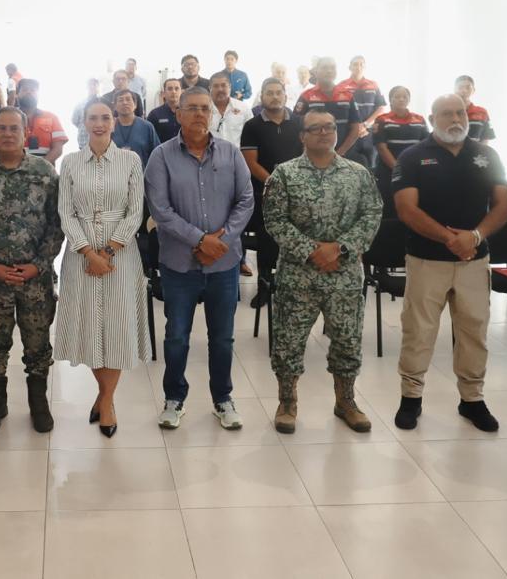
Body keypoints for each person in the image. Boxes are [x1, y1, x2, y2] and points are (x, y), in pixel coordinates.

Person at [391, 94, 507, 432]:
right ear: (432, 120)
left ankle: (472, 399)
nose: (456, 119)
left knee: (474, 331)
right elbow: (406, 209)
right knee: (419, 331)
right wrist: (451, 239)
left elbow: (503, 206)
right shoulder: (412, 156)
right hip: (426, 260)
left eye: (461, 113)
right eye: (447, 114)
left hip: (474, 260)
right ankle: (411, 398)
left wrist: (474, 237)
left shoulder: (487, 155)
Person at [263, 109, 383, 434]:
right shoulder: (284, 174)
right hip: (297, 275)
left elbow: (372, 214)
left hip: (344, 274)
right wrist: (311, 250)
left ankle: (346, 401)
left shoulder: (357, 173)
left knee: (347, 339)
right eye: (315, 128)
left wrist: (339, 248)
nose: (323, 133)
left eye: (329, 127)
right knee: (288, 342)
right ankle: (287, 402)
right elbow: (274, 220)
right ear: (302, 136)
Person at [144, 86, 255, 431]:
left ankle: (223, 398)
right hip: (179, 265)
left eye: (205, 108)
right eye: (191, 108)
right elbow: (160, 210)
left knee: (222, 337)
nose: (198, 114)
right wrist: (200, 240)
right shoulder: (161, 156)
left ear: (212, 114)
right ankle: (174, 398)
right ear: (178, 114)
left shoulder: (231, 153)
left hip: (224, 263)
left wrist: (223, 239)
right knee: (177, 336)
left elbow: (246, 200)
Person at [0, 107, 63, 433]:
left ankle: (38, 402)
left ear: (25, 132)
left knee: (38, 344)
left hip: (36, 280)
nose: (7, 133)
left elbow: (57, 225)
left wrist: (38, 265)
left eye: (13, 128)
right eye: (1, 128)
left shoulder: (44, 172)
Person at [55, 101, 149, 439]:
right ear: (84, 122)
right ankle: (105, 395)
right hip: (80, 253)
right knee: (89, 325)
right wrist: (88, 252)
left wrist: (108, 250)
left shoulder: (130, 160)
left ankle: (106, 400)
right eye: (92, 118)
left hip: (120, 254)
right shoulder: (70, 162)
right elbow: (65, 212)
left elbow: (135, 211)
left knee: (117, 326)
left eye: (105, 118)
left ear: (114, 123)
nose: (99, 123)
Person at [240, 78, 302, 308]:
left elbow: (307, 156)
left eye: (278, 92)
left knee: (296, 239)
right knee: (267, 240)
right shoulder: (252, 126)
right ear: (262, 96)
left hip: (297, 193)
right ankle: (264, 285)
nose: (275, 97)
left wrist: (293, 185)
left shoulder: (299, 123)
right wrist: (275, 183)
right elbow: (250, 162)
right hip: (264, 193)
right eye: (269, 93)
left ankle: (293, 287)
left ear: (285, 95)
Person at [371, 86, 429, 205]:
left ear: (409, 100)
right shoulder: (382, 120)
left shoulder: (419, 119)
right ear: (390, 100)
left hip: (415, 170)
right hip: (388, 172)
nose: (401, 99)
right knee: (389, 205)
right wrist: (398, 169)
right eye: (397, 97)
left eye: (405, 97)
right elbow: (381, 148)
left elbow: (426, 146)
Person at [294, 57, 361, 158]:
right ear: (316, 71)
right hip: (314, 156)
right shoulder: (306, 96)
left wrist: (340, 153)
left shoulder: (347, 95)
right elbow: (297, 127)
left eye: (332, 68)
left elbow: (355, 128)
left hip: (344, 155)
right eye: (325, 67)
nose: (329, 71)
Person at [332, 55, 388, 169]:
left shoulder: (373, 85)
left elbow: (381, 108)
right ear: (349, 67)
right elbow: (337, 110)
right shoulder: (341, 86)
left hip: (368, 133)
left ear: (365, 67)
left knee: (371, 167)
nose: (358, 67)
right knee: (348, 167)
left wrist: (365, 125)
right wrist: (356, 128)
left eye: (361, 64)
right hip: (349, 134)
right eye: (355, 64)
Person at [15, 78, 68, 163]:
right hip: (14, 169)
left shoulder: (52, 117)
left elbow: (58, 149)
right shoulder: (8, 118)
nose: (29, 92)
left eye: (33, 90)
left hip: (45, 169)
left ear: (38, 95)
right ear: (17, 94)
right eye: (25, 89)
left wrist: (41, 166)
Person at [110, 87, 160, 168]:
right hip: (114, 174)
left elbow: (157, 154)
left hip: (142, 173)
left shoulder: (147, 127)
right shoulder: (109, 127)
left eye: (128, 99)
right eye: (120, 100)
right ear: (115, 106)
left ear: (135, 105)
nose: (125, 103)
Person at [208, 71, 251, 146]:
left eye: (223, 85)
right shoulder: (203, 109)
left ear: (230, 87)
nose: (220, 89)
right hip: (210, 153)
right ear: (209, 88)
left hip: (237, 152)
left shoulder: (243, 108)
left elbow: (251, 134)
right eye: (216, 86)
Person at [454, 75, 496, 144]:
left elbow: (485, 138)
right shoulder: (446, 111)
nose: (464, 90)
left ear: (473, 90)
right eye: (460, 87)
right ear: (454, 90)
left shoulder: (482, 112)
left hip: (475, 150)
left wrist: (482, 151)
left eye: (468, 87)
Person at [148, 78, 183, 143]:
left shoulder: (188, 112)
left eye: (176, 89)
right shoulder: (154, 114)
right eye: (170, 89)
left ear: (181, 92)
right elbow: (149, 137)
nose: (174, 92)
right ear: (163, 93)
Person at [72, 77, 102, 148]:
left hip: (102, 143)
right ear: (86, 87)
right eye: (90, 85)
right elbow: (75, 121)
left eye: (94, 85)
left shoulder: (104, 102)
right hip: (84, 142)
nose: (92, 87)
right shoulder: (80, 104)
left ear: (98, 87)